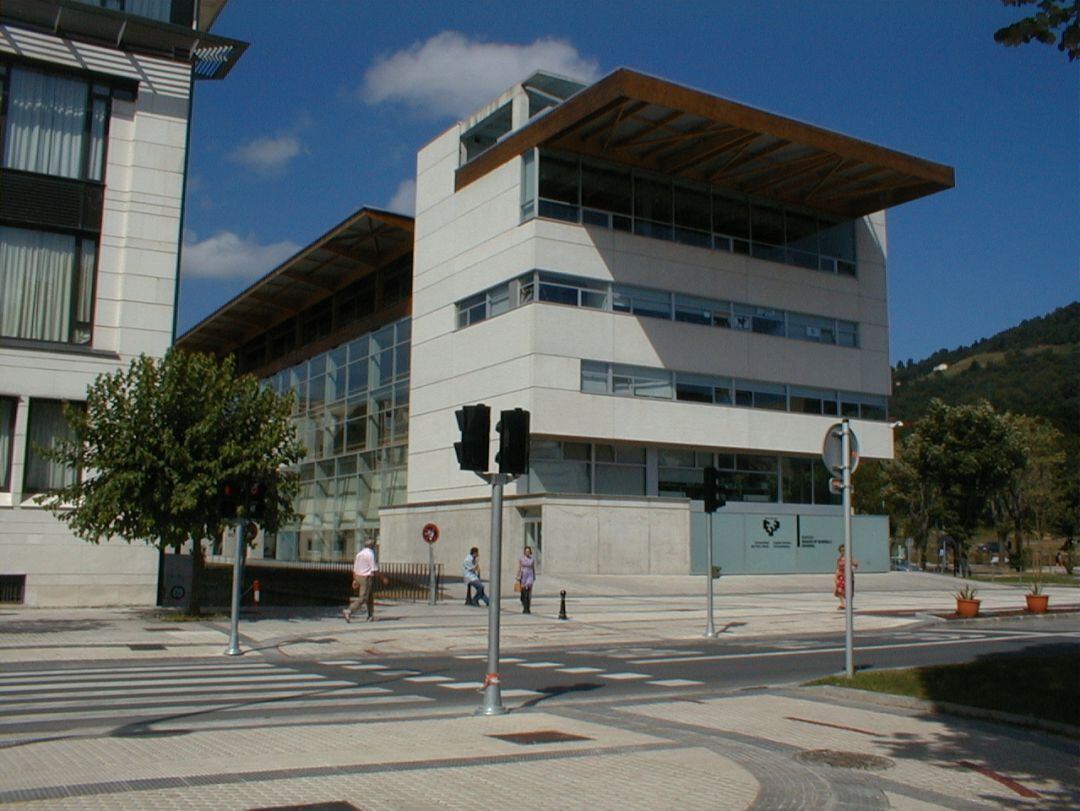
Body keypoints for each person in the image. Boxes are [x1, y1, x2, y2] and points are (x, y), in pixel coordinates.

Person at [343, 538, 379, 622]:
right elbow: (373, 568)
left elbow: (355, 568)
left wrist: (355, 579)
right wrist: (383, 578)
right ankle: (349, 610)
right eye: (374, 545)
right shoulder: (370, 554)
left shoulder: (359, 554)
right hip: (366, 577)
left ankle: (370, 615)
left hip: (358, 576)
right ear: (372, 546)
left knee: (370, 596)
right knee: (363, 597)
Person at [834, 544, 858, 610]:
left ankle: (848, 604)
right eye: (841, 550)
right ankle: (842, 604)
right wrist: (835, 577)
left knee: (848, 591)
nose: (843, 552)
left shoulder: (849, 558)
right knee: (839, 590)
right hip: (841, 576)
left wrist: (853, 567)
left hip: (848, 577)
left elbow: (855, 565)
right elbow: (837, 568)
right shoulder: (839, 559)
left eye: (844, 550)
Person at [516, 545, 536, 614]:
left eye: (528, 551)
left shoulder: (532, 559)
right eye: (526, 551)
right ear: (524, 552)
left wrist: (534, 576)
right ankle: (523, 599)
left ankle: (528, 604)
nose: (527, 552)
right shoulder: (521, 559)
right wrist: (518, 576)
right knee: (523, 590)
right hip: (523, 574)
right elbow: (520, 567)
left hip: (530, 575)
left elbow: (533, 568)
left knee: (528, 590)